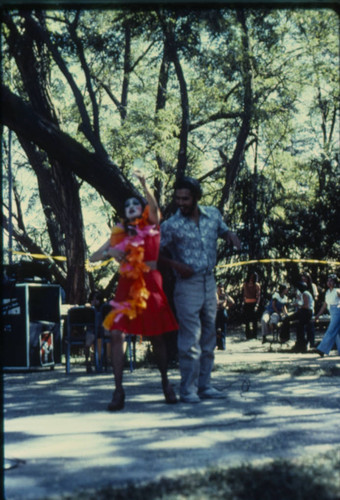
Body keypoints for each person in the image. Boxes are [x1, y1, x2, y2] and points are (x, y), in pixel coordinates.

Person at [90, 170, 178, 411]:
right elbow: (93, 256)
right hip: (126, 288)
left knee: (157, 336)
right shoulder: (119, 233)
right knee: (116, 334)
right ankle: (118, 391)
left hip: (150, 284)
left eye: (135, 204)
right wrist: (109, 251)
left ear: (142, 209)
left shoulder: (151, 225)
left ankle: (165, 382)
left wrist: (143, 183)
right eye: (126, 205)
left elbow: (154, 205)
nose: (131, 206)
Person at [159, 176, 241, 403]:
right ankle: (188, 389)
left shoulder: (212, 214)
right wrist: (176, 265)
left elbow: (223, 230)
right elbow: (155, 253)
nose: (181, 203)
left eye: (185, 198)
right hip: (187, 285)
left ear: (196, 198)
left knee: (208, 336)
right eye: (177, 199)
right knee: (190, 338)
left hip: (209, 281)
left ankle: (205, 385)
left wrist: (231, 236)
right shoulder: (171, 225)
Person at [281, 282, 314, 353]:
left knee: (298, 325)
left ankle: (299, 344)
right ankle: (298, 343)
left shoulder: (305, 293)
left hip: (307, 312)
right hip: (304, 311)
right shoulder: (305, 293)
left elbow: (306, 306)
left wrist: (297, 305)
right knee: (297, 325)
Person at [313, 274, 340, 357]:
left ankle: (322, 349)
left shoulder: (337, 291)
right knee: (337, 333)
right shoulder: (328, 292)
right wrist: (317, 315)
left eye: (331, 281)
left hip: (338, 311)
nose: (329, 282)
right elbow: (324, 305)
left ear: (335, 282)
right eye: (328, 280)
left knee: (331, 330)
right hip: (331, 312)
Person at [215, 283, 235, 350]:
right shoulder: (215, 294)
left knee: (223, 330)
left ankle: (222, 346)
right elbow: (216, 302)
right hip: (216, 313)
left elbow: (232, 302)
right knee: (216, 330)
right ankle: (217, 344)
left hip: (222, 312)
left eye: (221, 287)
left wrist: (226, 306)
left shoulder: (225, 295)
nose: (220, 289)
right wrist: (223, 302)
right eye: (219, 287)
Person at [242, 271, 261, 340]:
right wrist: (243, 302)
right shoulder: (245, 284)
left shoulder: (257, 285)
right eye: (250, 276)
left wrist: (257, 305)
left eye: (253, 277)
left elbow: (258, 296)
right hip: (247, 304)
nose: (251, 278)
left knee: (254, 321)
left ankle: (254, 335)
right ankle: (248, 335)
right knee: (247, 321)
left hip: (253, 304)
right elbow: (244, 294)